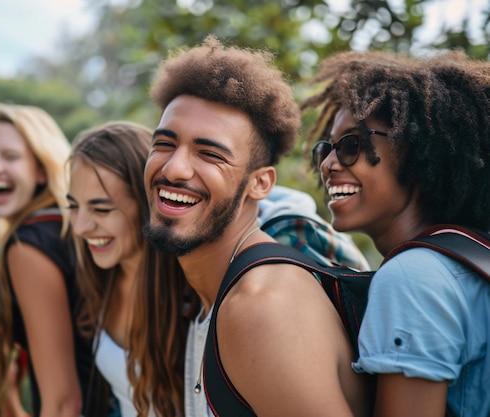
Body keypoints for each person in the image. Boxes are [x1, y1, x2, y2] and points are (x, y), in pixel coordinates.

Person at [143, 35, 369, 417]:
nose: (174, 168)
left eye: (210, 154)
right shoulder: (210, 294)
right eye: (164, 143)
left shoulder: (263, 306)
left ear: (260, 183)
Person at [302, 50, 490, 417]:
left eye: (352, 145)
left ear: (416, 149)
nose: (327, 164)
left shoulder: (412, 277)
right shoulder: (471, 258)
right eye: (326, 149)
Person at [0, 103, 101, 417]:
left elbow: (63, 402)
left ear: (41, 168)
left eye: (10, 157)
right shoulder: (67, 227)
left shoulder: (28, 247)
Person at [66, 121, 191, 417]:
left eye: (101, 209)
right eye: (73, 206)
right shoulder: (99, 279)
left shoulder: (190, 291)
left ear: (149, 204)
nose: (80, 227)